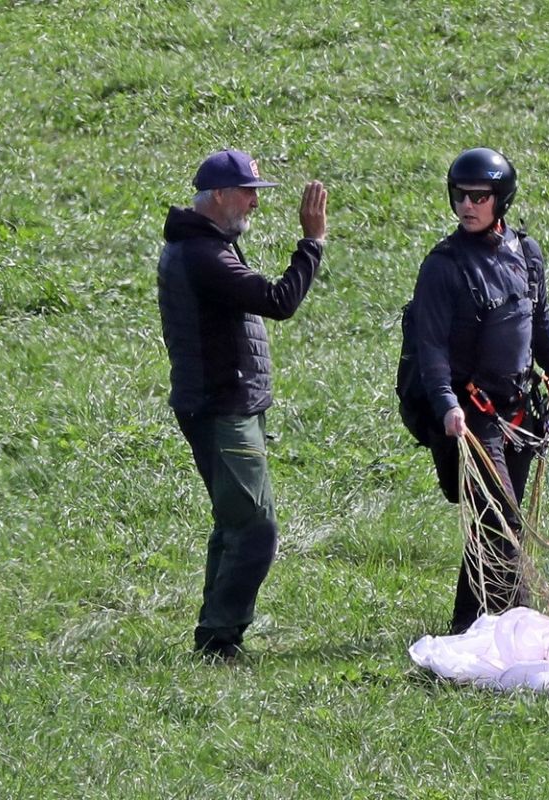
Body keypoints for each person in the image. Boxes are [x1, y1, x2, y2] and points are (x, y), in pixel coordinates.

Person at [157, 149, 328, 661]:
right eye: (248, 192)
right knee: (255, 528)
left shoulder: (207, 245)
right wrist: (312, 242)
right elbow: (279, 301)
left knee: (235, 523)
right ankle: (220, 641)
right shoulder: (203, 255)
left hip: (226, 404)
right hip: (221, 409)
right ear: (218, 195)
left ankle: (216, 632)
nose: (255, 203)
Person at [409, 147, 549, 635]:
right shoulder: (442, 267)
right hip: (472, 412)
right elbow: (429, 345)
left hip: (521, 410)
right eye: (460, 195)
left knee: (495, 520)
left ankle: (469, 624)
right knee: (502, 518)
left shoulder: (526, 253)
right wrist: (446, 404)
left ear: (500, 200)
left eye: (479, 196)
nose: (467, 205)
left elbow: (538, 320)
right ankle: (519, 625)